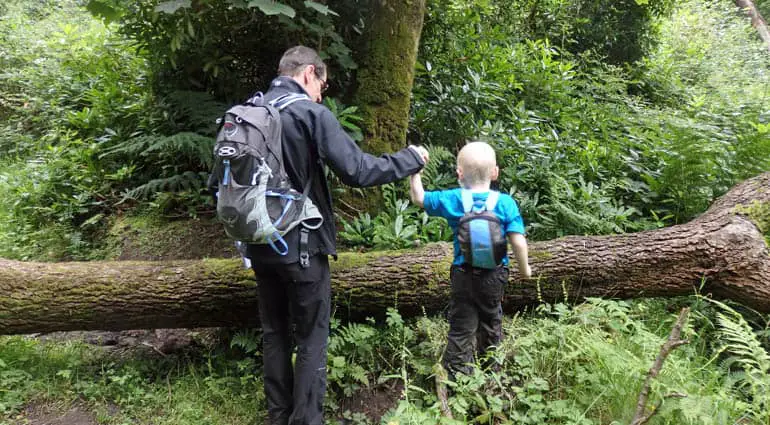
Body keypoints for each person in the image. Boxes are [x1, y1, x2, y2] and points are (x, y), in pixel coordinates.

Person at [246, 46, 428, 425]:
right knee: (311, 337)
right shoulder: (309, 113)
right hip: (302, 247)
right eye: (322, 86)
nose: (321, 94)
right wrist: (409, 159)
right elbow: (358, 170)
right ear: (309, 73)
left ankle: (278, 418)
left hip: (259, 243)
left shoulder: (250, 112)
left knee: (275, 333)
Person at [408, 141, 531, 377]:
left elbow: (419, 198)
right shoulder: (505, 203)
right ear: (495, 172)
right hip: (494, 276)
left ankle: (456, 377)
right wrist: (525, 270)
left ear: (459, 173)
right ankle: (490, 372)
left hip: (462, 274)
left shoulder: (453, 199)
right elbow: (517, 241)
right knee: (491, 320)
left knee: (461, 326)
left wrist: (416, 171)